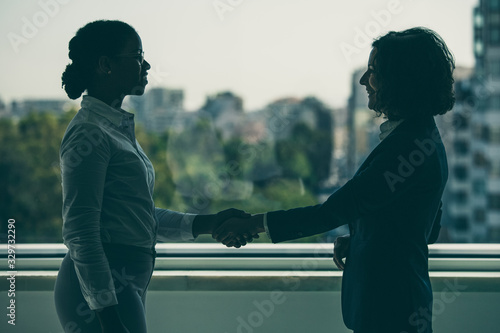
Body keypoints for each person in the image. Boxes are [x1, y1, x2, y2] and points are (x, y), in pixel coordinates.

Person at [214, 27, 455, 333]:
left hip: (391, 310)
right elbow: (421, 229)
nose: (364, 81)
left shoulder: (406, 147)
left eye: (374, 71)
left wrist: (252, 225)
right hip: (401, 305)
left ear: (401, 79)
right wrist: (361, 239)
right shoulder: (423, 138)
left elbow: (334, 211)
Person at [54, 20, 252, 333]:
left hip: (119, 286)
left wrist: (209, 223)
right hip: (100, 294)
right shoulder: (88, 134)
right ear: (105, 65)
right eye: (136, 55)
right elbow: (81, 232)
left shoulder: (112, 130)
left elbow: (137, 217)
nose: (146, 65)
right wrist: (108, 318)